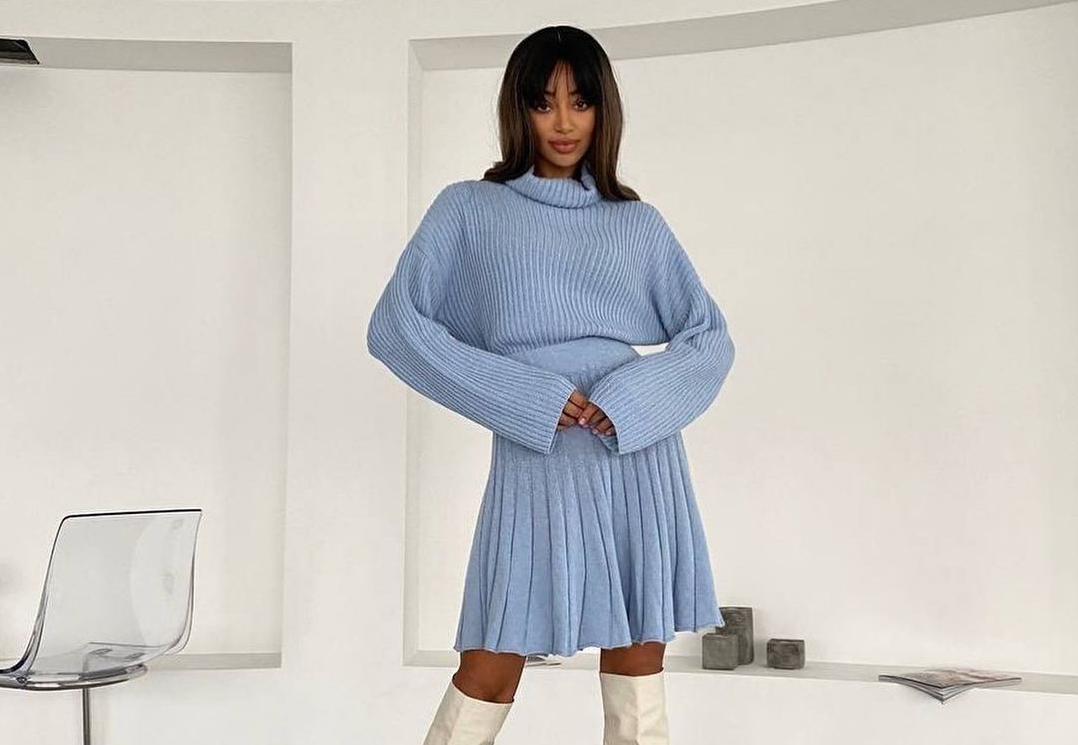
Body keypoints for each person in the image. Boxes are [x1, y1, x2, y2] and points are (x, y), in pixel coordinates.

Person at [366, 24, 736, 745]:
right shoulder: (469, 210)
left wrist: (634, 401)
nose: (563, 122)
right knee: (492, 659)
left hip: (636, 454)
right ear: (519, 111)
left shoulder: (637, 223)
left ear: (604, 110)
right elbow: (396, 327)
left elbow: (710, 338)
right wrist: (522, 396)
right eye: (543, 103)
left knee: (638, 654)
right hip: (539, 454)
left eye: (580, 102)